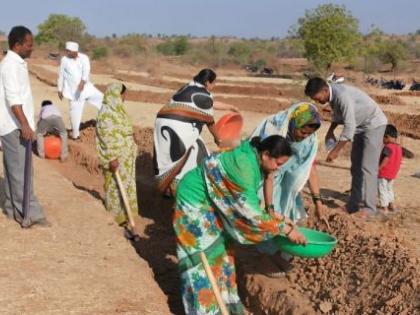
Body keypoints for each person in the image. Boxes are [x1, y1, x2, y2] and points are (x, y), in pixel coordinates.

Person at [174, 136, 306, 315]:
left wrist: (278, 217)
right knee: (200, 261)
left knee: (221, 256)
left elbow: (245, 198)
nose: (278, 168)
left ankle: (223, 307)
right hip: (194, 203)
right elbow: (250, 213)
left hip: (211, 204)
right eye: (278, 163)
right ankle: (203, 310)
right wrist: (286, 229)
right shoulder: (242, 166)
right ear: (266, 154)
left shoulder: (252, 158)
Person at [252, 102, 325, 275]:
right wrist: (269, 207)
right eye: (302, 131)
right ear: (294, 123)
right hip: (265, 177)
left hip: (285, 186)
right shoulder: (274, 132)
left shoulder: (310, 141)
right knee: (262, 213)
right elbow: (268, 173)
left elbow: (309, 169)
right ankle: (262, 257)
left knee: (285, 214)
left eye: (309, 133)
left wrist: (318, 204)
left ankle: (274, 254)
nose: (304, 136)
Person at [305, 77, 388, 218]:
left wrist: (335, 151)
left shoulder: (342, 96)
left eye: (317, 98)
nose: (316, 101)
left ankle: (370, 208)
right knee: (355, 166)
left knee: (368, 167)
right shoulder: (331, 95)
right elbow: (339, 115)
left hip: (373, 124)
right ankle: (353, 204)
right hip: (360, 127)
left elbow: (349, 127)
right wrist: (331, 131)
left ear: (324, 90)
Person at [153, 68, 238, 196]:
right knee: (195, 153)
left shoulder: (190, 87)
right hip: (179, 126)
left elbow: (210, 103)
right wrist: (218, 140)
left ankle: (171, 185)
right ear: (208, 82)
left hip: (162, 122)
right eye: (214, 83)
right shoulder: (203, 95)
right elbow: (210, 122)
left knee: (172, 157)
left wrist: (230, 107)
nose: (214, 86)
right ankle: (180, 187)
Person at [0, 26, 48, 228]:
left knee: (14, 170)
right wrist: (25, 125)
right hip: (14, 125)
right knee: (20, 171)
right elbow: (13, 100)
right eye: (29, 44)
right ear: (18, 45)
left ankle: (13, 210)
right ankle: (30, 213)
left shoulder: (17, 63)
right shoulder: (10, 65)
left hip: (15, 124)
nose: (32, 48)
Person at [96, 83, 138, 232]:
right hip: (116, 159)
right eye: (123, 94)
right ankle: (116, 220)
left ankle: (126, 217)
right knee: (115, 187)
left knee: (126, 187)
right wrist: (112, 158)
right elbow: (106, 137)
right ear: (116, 94)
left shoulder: (118, 110)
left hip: (126, 158)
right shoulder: (106, 113)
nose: (124, 97)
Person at [58, 41, 103, 140]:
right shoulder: (64, 60)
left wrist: (83, 82)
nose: (67, 53)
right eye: (66, 51)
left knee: (103, 100)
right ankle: (75, 135)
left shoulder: (84, 58)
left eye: (69, 51)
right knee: (75, 114)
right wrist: (60, 89)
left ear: (75, 51)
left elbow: (86, 70)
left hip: (87, 88)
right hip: (73, 92)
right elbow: (61, 75)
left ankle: (104, 123)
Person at [378, 124, 402, 214]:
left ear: (386, 137)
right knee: (389, 189)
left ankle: (384, 208)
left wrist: (379, 168)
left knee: (382, 190)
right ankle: (391, 205)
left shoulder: (388, 147)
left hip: (384, 173)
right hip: (392, 173)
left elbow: (386, 158)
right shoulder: (399, 147)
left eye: (382, 138)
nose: (382, 140)